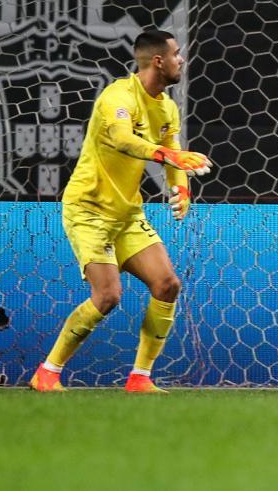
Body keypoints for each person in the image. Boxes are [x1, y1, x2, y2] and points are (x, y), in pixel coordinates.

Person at [30, 30, 213, 393]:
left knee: (167, 284)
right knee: (108, 296)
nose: (182, 61)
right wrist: (167, 156)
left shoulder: (167, 107)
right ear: (158, 60)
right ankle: (47, 372)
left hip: (128, 214)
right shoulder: (118, 96)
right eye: (177, 54)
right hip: (89, 209)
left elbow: (172, 148)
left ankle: (140, 378)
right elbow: (122, 139)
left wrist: (180, 187)